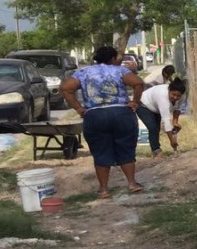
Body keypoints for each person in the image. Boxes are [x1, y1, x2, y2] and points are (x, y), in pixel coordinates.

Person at [60, 46, 146, 199]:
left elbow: (66, 88)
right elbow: (138, 83)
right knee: (126, 147)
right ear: (113, 58)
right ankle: (132, 183)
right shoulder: (119, 71)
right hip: (121, 113)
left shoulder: (83, 72)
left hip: (95, 115)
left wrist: (79, 108)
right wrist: (135, 102)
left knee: (100, 151)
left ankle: (104, 190)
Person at [136, 78, 186, 157]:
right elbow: (166, 121)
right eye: (173, 94)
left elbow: (177, 109)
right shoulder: (163, 97)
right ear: (169, 90)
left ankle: (156, 151)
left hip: (155, 108)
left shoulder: (183, 96)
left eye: (178, 96)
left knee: (157, 129)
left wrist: (175, 122)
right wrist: (172, 141)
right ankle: (156, 151)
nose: (175, 97)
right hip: (143, 105)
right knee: (153, 128)